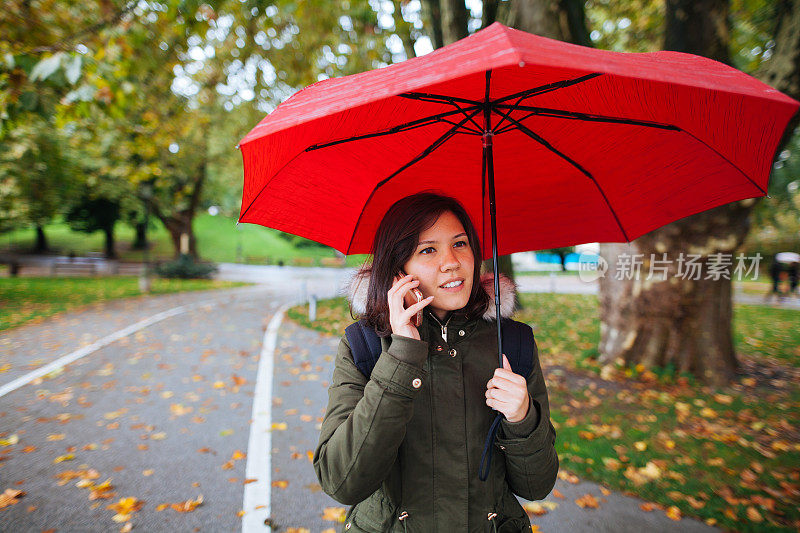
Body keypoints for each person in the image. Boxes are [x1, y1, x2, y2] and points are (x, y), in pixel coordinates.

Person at [313, 192, 559, 532]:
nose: (452, 261)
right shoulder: (365, 345)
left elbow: (537, 486)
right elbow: (341, 482)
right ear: (399, 270)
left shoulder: (513, 343)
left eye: (460, 244)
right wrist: (400, 358)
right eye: (428, 250)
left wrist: (522, 418)